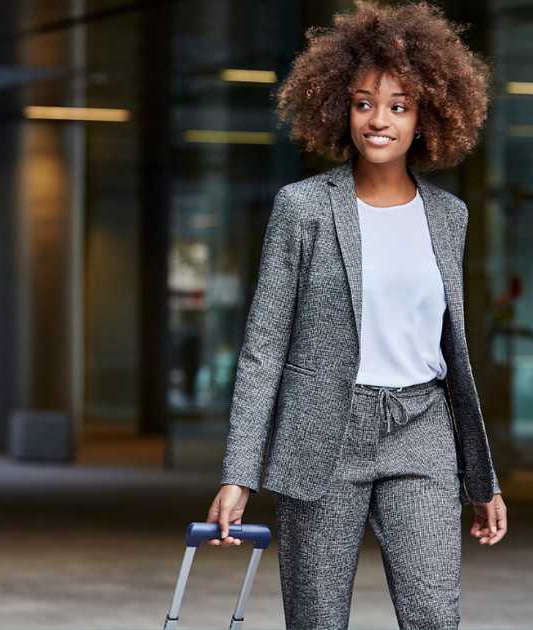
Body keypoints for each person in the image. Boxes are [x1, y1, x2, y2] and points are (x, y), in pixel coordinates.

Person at [204, 2, 508, 629]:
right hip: (323, 433)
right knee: (317, 619)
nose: (380, 120)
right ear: (340, 108)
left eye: (399, 106)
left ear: (425, 118)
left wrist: (481, 478)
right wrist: (239, 473)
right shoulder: (303, 208)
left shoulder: (450, 217)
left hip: (421, 428)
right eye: (365, 102)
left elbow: (453, 354)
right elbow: (264, 346)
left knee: (433, 616)